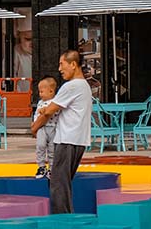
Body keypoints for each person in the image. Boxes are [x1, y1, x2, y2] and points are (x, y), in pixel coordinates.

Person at [31, 50, 92, 214]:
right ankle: (67, 217)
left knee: (57, 184)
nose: (59, 69)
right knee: (64, 183)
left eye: (61, 64)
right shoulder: (85, 86)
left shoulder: (71, 86)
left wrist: (35, 127)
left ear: (73, 64)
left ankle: (62, 219)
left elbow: (49, 110)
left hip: (67, 140)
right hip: (79, 140)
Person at [34, 76, 58, 179]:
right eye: (39, 92)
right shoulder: (40, 102)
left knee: (52, 149)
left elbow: (54, 111)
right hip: (42, 128)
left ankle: (52, 168)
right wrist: (35, 125)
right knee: (40, 146)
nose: (40, 94)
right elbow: (36, 114)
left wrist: (45, 110)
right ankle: (41, 166)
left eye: (42, 92)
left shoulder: (56, 102)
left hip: (53, 128)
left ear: (51, 91)